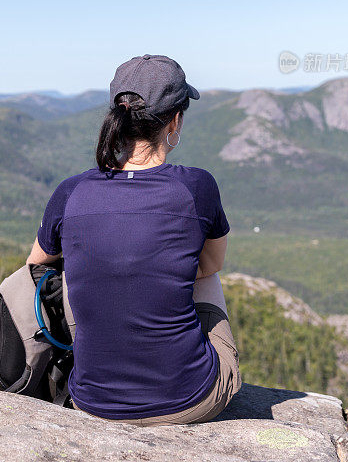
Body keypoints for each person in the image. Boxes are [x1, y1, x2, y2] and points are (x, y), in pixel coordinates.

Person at [26, 54, 242, 425]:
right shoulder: (197, 186)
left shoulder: (71, 191)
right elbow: (212, 265)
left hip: (92, 402)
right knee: (206, 273)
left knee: (76, 263)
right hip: (189, 399)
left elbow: (35, 264)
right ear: (175, 121)